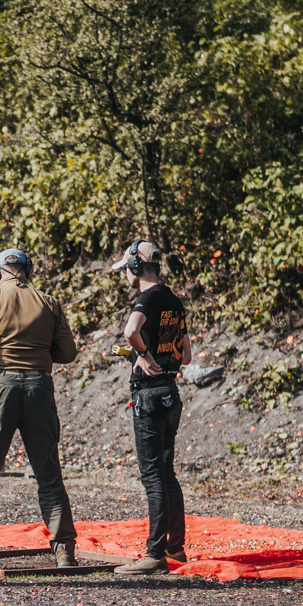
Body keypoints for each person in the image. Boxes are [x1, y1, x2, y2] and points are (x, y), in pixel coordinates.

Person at [0, 247, 81, 567]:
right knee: (48, 473)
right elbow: (68, 352)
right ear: (28, 269)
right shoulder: (48, 302)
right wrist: (40, 354)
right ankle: (65, 550)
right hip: (39, 387)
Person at [108, 240, 191, 576]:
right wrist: (146, 352)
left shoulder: (147, 298)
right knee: (167, 472)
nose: (126, 276)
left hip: (148, 395)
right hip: (171, 392)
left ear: (135, 267)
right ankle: (176, 548)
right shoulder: (173, 300)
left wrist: (142, 354)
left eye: (126, 270)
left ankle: (155, 554)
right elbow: (186, 355)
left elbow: (131, 330)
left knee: (153, 475)